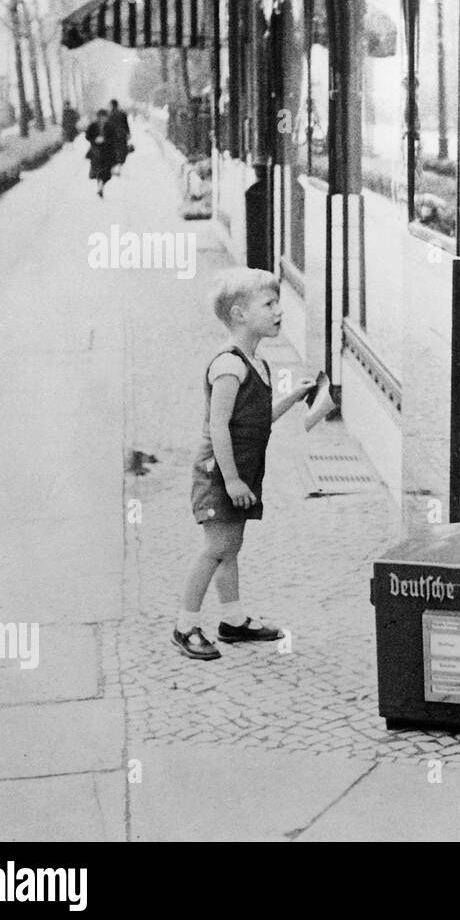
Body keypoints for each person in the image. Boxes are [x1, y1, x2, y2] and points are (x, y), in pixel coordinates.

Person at [174, 269, 317, 660]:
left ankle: (233, 621)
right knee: (216, 547)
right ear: (239, 314)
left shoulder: (258, 364)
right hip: (219, 473)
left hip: (239, 472)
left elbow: (255, 419)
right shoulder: (229, 366)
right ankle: (184, 626)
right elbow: (218, 427)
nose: (278, 311)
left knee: (230, 546)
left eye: (277, 303)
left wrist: (292, 397)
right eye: (268, 304)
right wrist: (233, 480)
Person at [84, 109, 119, 197]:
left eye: (104, 117)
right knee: (98, 170)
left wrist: (105, 140)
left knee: (107, 172)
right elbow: (87, 136)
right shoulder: (93, 125)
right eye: (101, 117)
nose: (103, 119)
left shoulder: (111, 126)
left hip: (108, 152)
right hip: (96, 151)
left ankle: (101, 185)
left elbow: (114, 138)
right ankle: (100, 186)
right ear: (98, 117)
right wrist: (95, 140)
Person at [108, 98, 131, 173]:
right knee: (122, 151)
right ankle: (119, 168)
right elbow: (126, 124)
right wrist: (128, 133)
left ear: (112, 105)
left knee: (113, 151)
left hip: (113, 136)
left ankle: (114, 168)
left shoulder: (109, 114)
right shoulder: (122, 113)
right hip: (122, 135)